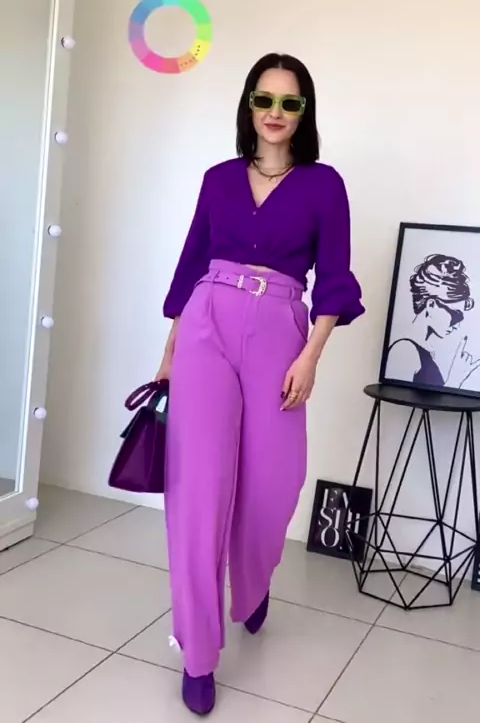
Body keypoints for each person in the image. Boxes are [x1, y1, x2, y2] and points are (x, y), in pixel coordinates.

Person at [155, 52, 364, 715]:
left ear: (304, 112)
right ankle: (197, 653)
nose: (275, 113)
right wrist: (170, 350)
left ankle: (251, 582)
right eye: (264, 99)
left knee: (274, 482)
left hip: (281, 329)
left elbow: (335, 277)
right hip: (207, 325)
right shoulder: (218, 179)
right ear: (249, 105)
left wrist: (311, 356)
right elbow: (191, 263)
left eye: (289, 102)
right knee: (198, 487)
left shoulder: (324, 184)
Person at [385, 254, 478, 389]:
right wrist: (455, 378)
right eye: (455, 316)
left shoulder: (424, 350)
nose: (456, 325)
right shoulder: (405, 349)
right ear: (431, 305)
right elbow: (396, 395)